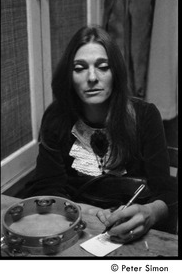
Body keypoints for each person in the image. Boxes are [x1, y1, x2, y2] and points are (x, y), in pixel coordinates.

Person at [24, 25, 177, 243]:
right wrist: (90, 212)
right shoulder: (56, 117)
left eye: (103, 67)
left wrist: (149, 213)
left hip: (134, 237)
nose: (92, 77)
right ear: (69, 76)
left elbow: (167, 194)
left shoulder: (145, 116)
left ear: (116, 72)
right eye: (79, 68)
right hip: (73, 228)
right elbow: (48, 188)